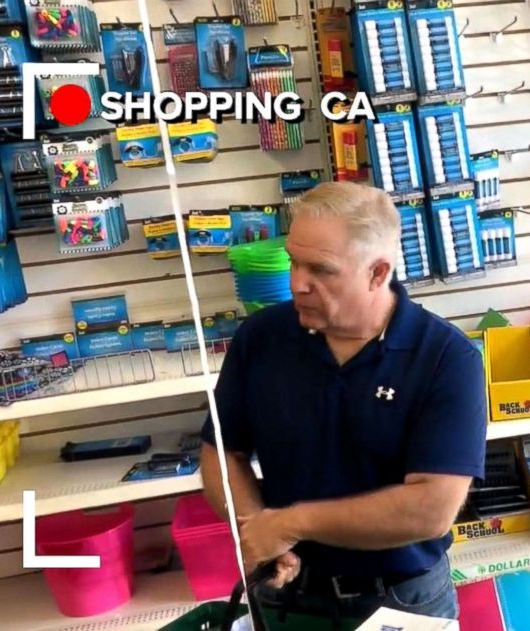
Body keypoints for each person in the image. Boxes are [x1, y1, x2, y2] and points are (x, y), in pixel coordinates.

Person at [198, 181, 488, 623]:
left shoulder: (447, 359)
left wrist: (290, 523)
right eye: (293, 262)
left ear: (377, 272)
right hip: (286, 590)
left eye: (321, 270)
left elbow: (432, 508)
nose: (297, 284)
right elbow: (222, 452)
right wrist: (255, 528)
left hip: (402, 601)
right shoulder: (260, 339)